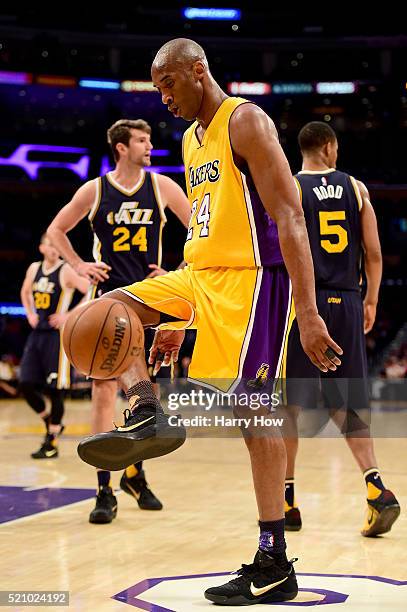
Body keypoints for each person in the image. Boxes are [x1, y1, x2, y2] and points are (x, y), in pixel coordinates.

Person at [74, 39, 343, 606]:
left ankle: (273, 561)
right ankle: (147, 408)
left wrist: (310, 310)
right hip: (199, 277)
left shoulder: (244, 121)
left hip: (254, 283)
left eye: (169, 84)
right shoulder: (193, 139)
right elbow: (206, 231)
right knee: (105, 311)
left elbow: (291, 216)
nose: (163, 97)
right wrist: (182, 313)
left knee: (254, 411)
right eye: (158, 89)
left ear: (199, 71)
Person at [47, 118, 191, 524]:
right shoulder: (95, 190)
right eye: (142, 141)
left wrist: (177, 271)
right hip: (106, 308)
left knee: (143, 401)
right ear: (121, 148)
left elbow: (202, 230)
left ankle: (135, 474)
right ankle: (104, 489)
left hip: (148, 302)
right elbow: (57, 230)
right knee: (103, 394)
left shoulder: (162, 187)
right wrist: (79, 264)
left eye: (148, 140)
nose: (150, 146)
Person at [282, 121, 400, 537]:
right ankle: (374, 486)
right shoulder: (356, 188)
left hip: (303, 305)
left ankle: (286, 499)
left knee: (287, 406)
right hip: (347, 302)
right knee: (346, 402)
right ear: (329, 148)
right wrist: (371, 300)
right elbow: (373, 252)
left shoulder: (290, 188)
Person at [19, 233, 89, 458]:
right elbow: (25, 291)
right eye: (51, 245)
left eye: (57, 246)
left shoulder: (66, 270)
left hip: (57, 337)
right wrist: (29, 313)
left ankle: (51, 442)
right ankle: (51, 421)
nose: (54, 250)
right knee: (26, 384)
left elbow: (89, 290)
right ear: (42, 248)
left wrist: (68, 315)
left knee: (54, 389)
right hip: (37, 332)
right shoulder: (34, 268)